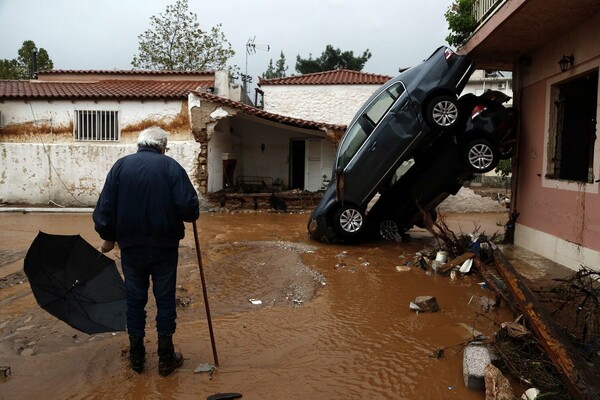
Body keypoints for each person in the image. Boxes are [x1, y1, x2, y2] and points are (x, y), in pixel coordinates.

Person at [93, 126, 199, 376]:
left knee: (134, 301)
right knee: (164, 301)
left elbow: (104, 209)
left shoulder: (120, 167)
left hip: (131, 248)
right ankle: (165, 358)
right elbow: (189, 209)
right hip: (164, 247)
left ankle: (137, 357)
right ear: (162, 146)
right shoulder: (171, 167)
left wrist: (107, 237)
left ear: (139, 144)